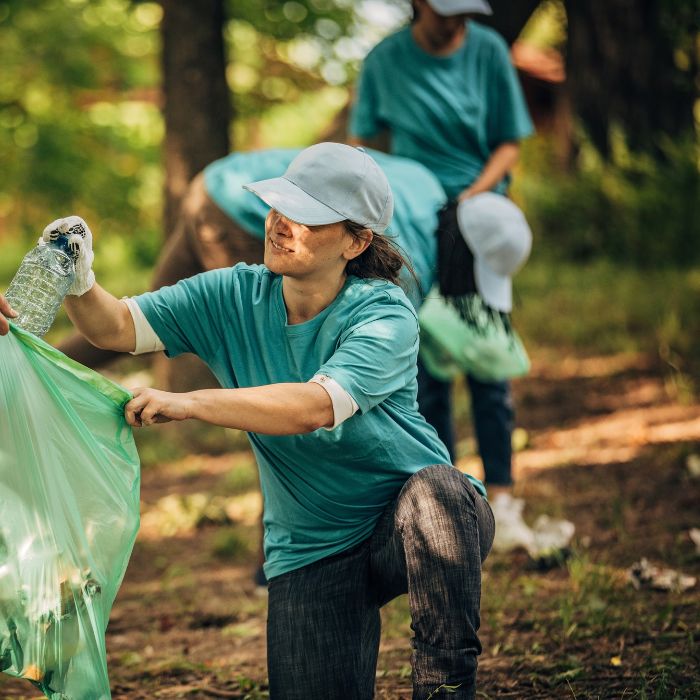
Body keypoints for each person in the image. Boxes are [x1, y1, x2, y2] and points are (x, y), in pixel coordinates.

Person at [1, 143, 494, 699]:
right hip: (312, 547)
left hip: (409, 525)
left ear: (355, 242)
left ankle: (446, 690)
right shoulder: (234, 293)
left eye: (305, 217)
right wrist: (81, 281)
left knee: (442, 494)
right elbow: (118, 329)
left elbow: (314, 406)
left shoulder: (384, 312)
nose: (280, 225)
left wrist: (192, 403)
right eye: (277, 207)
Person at [348, 0, 534, 498]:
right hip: (411, 219)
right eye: (447, 10)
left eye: (466, 11)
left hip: (479, 219)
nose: (457, 22)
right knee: (426, 362)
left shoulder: (488, 51)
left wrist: (473, 197)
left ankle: (502, 492)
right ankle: (446, 492)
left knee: (485, 355)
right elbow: (363, 143)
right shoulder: (384, 61)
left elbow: (509, 141)